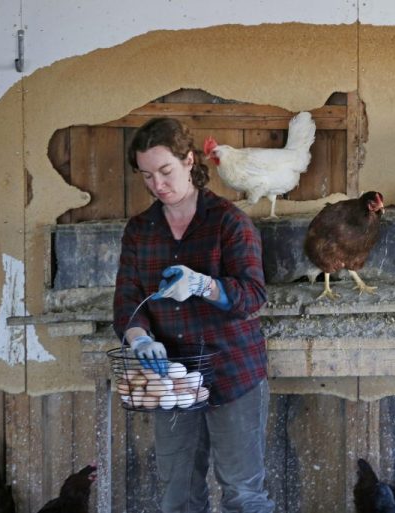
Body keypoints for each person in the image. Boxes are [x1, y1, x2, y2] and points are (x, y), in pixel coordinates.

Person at [113, 117, 274, 513]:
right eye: (147, 176)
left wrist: (205, 285)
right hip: (172, 376)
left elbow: (253, 295)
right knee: (178, 495)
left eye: (165, 171)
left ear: (188, 161)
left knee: (243, 494)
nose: (157, 184)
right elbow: (127, 299)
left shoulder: (229, 221)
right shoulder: (140, 230)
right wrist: (139, 338)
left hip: (232, 370)